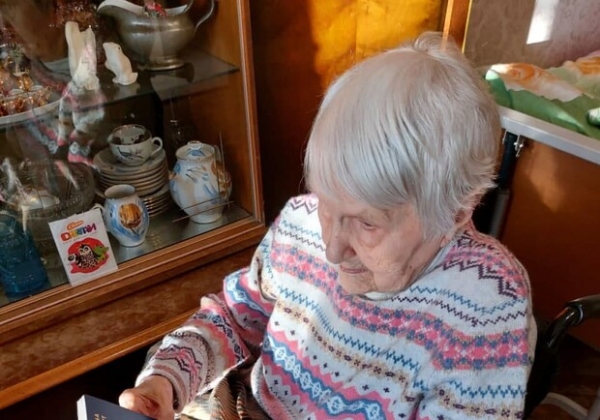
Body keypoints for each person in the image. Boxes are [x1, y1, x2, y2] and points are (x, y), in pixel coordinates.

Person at [119, 31, 537, 420]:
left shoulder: (485, 306)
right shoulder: (300, 222)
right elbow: (234, 317)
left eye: (366, 223)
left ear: (457, 211)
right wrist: (166, 382)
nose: (332, 248)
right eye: (325, 203)